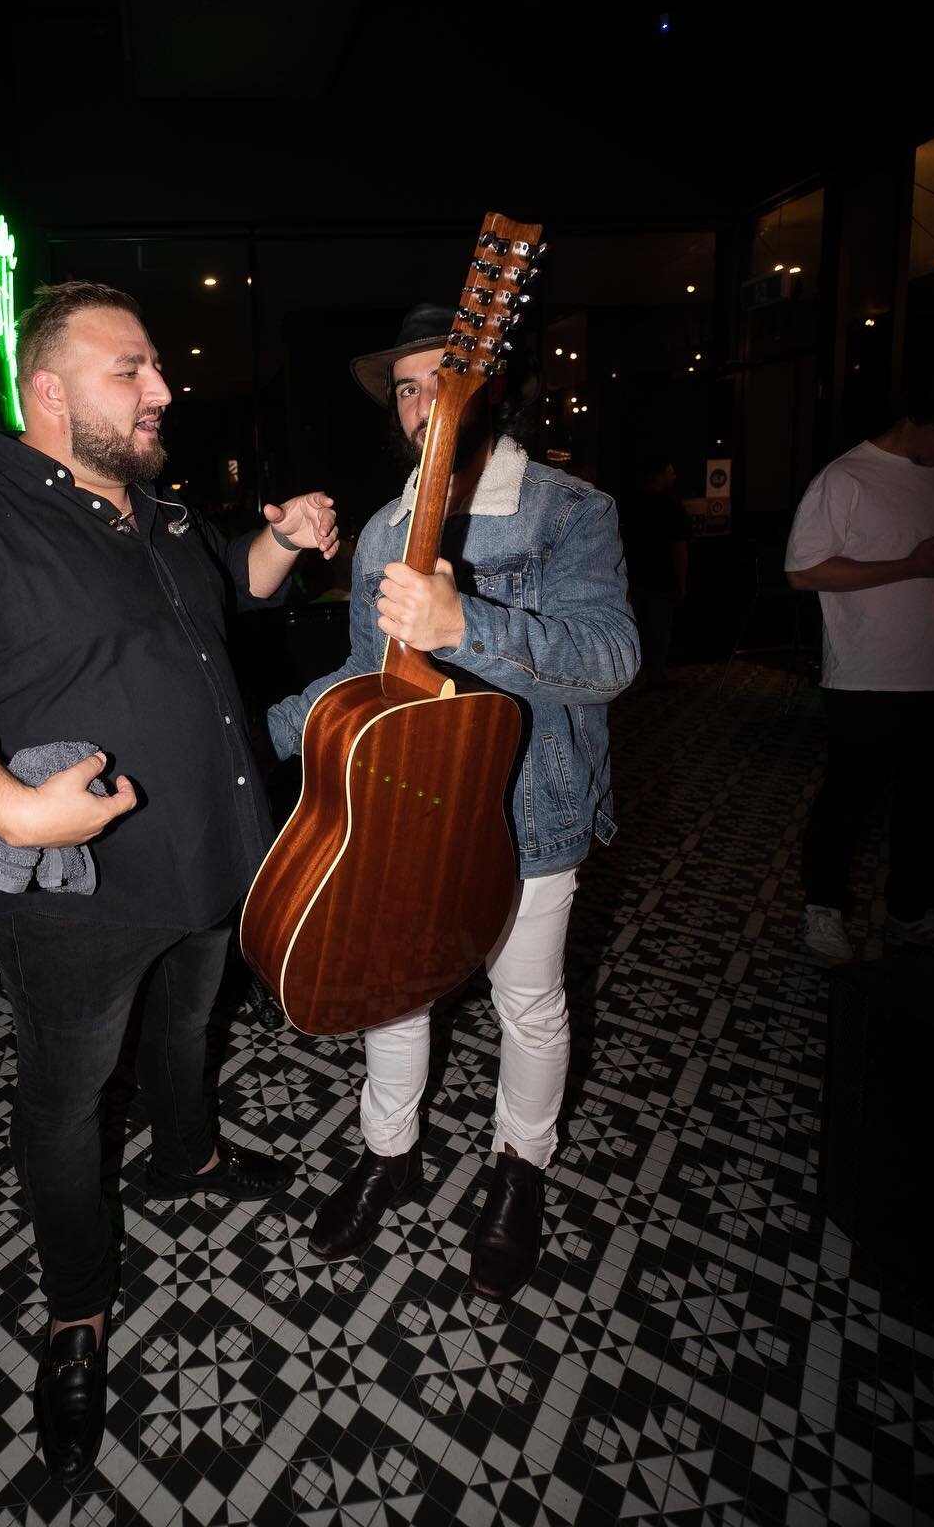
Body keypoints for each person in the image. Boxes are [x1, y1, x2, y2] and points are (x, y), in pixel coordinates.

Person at [0, 280, 338, 1483]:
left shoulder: (162, 517)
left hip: (209, 854)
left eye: (158, 367)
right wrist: (15, 806)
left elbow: (225, 590)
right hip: (73, 895)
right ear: (49, 390)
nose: (164, 389)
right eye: (133, 369)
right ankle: (76, 1309)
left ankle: (187, 1157)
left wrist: (278, 542)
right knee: (66, 1100)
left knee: (187, 1026)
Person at [266, 305, 639, 1299]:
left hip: (530, 811)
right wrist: (257, 729)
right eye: (406, 385)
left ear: (489, 391)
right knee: (393, 990)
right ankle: (390, 1153)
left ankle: (520, 1172)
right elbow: (363, 669)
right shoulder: (384, 527)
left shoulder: (568, 509)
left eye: (446, 378)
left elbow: (609, 660)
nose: (424, 401)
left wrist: (464, 619)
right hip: (405, 802)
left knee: (528, 1002)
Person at [785, 372, 934, 960]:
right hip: (867, 673)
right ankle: (822, 908)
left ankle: (913, 912)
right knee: (850, 798)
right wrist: (912, 566)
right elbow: (804, 571)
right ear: (917, 419)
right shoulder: (845, 477)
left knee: (929, 802)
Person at [620, 453, 690, 688]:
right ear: (659, 475)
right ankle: (655, 674)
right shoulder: (671, 506)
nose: (674, 477)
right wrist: (681, 581)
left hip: (637, 576)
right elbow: (678, 547)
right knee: (658, 629)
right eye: (670, 472)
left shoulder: (631, 504)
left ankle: (639, 675)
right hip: (660, 577)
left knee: (639, 629)